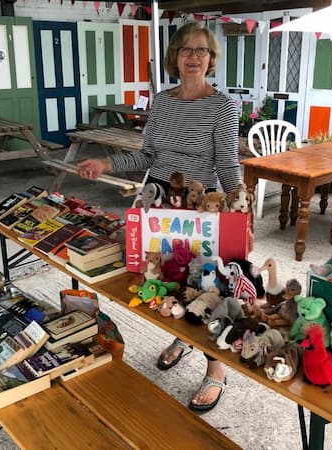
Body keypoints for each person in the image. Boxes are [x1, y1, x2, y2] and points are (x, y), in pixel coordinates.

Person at [77, 22, 241, 412]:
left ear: (211, 58)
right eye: (186, 49)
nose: (193, 56)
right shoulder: (162, 102)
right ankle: (182, 335)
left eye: (201, 50)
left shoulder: (223, 106)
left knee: (207, 285)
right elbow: (147, 156)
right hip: (160, 199)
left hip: (202, 206)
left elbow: (228, 163)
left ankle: (215, 370)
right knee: (163, 278)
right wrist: (107, 161)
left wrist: (240, 206)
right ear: (175, 57)